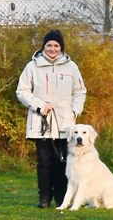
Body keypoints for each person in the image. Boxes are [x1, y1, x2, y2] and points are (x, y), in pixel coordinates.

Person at [16, 29, 86, 208]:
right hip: (42, 123)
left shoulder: (72, 67)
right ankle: (44, 198)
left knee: (62, 164)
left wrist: (74, 112)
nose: (52, 49)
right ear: (43, 47)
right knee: (44, 163)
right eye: (49, 45)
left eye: (56, 45)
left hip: (65, 124)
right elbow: (22, 91)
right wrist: (39, 105)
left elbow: (79, 92)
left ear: (61, 48)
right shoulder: (32, 67)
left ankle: (61, 199)